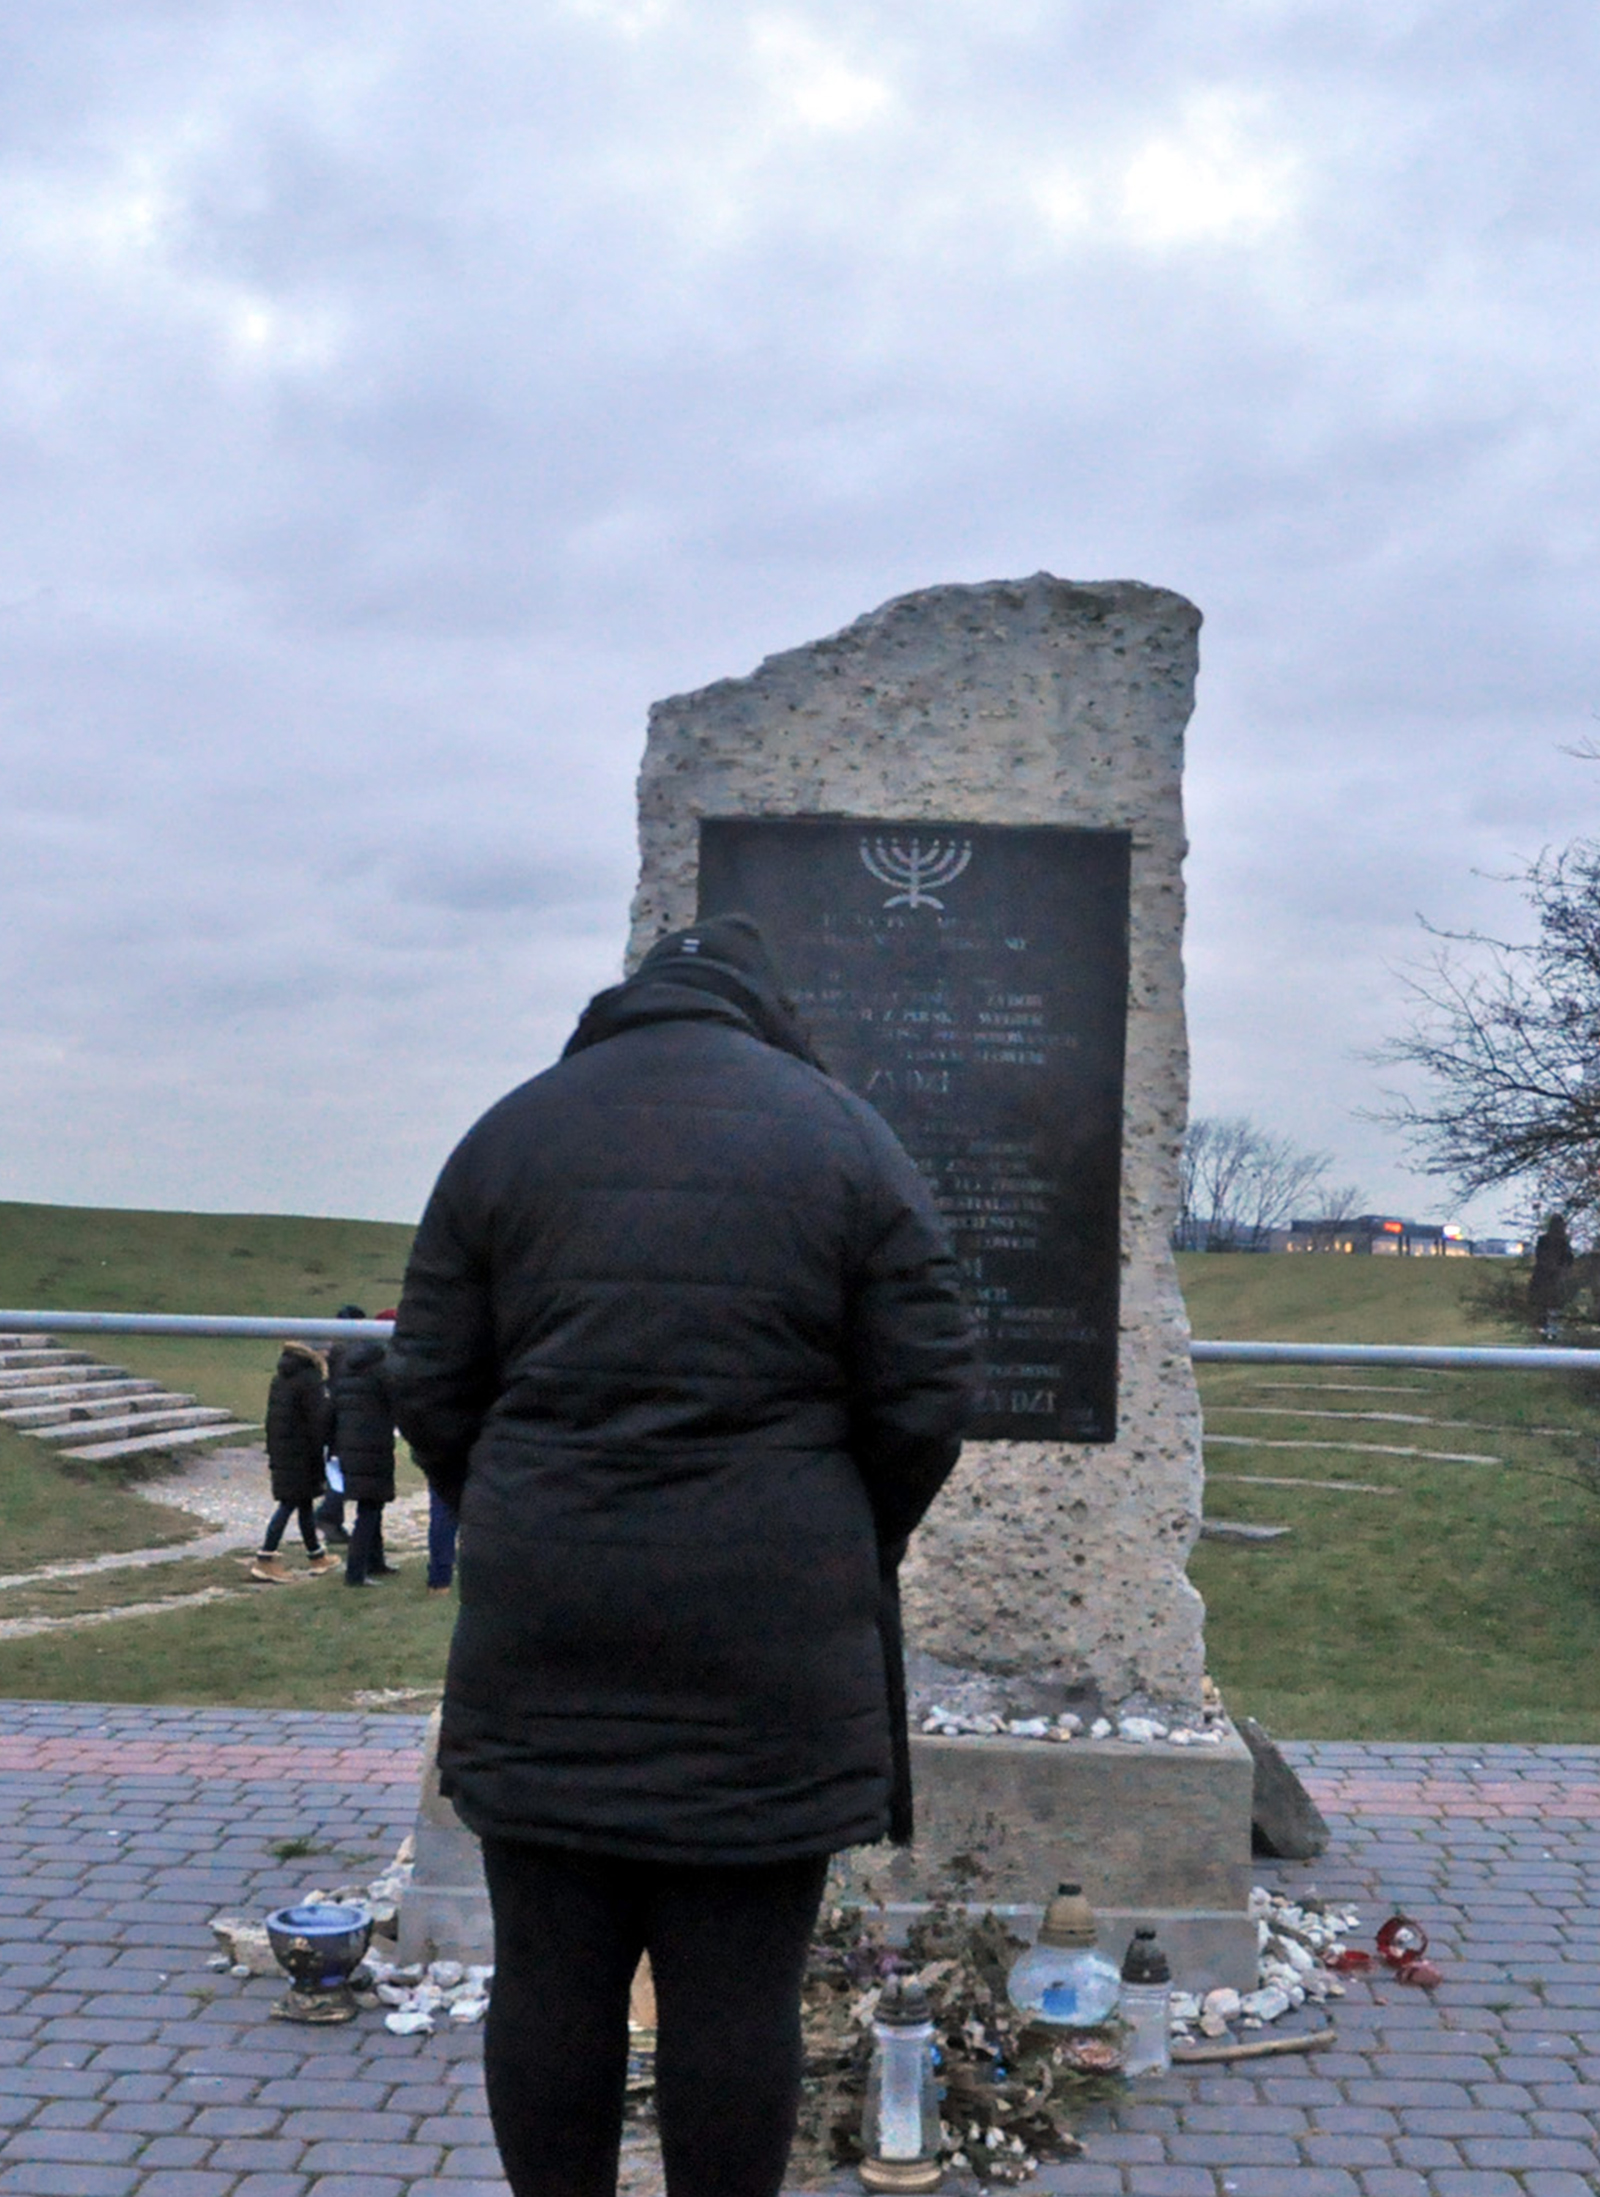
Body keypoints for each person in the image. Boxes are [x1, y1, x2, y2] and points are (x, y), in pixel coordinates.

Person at [388, 913, 977, 2197]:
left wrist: (514, 1508)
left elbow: (426, 1373)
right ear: (763, 1010)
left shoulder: (511, 1131)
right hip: (768, 1634)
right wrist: (833, 1527)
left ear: (629, 1001)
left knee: (547, 1975)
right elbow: (927, 1388)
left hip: (547, 1624)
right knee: (735, 1994)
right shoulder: (845, 1138)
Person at [251, 1342, 335, 1581]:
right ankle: (265, 1557)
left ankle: (316, 1555)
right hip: (302, 1451)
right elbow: (317, 1420)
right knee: (289, 1503)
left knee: (303, 1502)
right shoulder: (310, 1380)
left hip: (283, 1448)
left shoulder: (281, 1379)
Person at [328, 1334, 400, 1586]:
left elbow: (333, 1411)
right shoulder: (382, 1373)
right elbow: (396, 1404)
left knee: (371, 1506)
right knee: (369, 1510)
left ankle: (376, 1561)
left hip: (349, 1447)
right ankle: (356, 1572)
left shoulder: (344, 1374)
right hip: (374, 1447)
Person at [314, 1304, 369, 1546]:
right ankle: (327, 1515)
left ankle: (331, 1520)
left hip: (338, 1421)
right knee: (346, 1474)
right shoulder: (351, 1356)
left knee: (342, 1473)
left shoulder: (334, 1355)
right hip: (347, 1422)